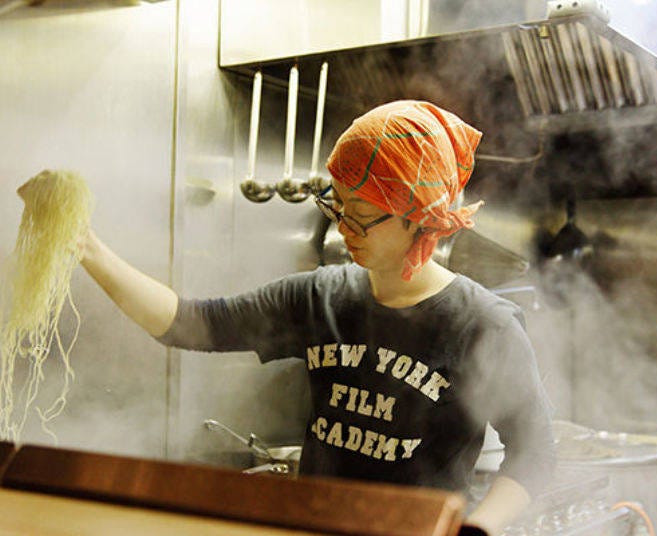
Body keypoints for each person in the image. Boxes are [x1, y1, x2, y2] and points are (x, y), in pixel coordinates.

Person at [72, 100, 554, 535]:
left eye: (361, 213)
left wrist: (475, 529)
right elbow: (188, 323)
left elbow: (534, 455)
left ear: (419, 217)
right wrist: (87, 248)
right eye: (338, 205)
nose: (344, 227)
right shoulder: (321, 296)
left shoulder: (482, 326)